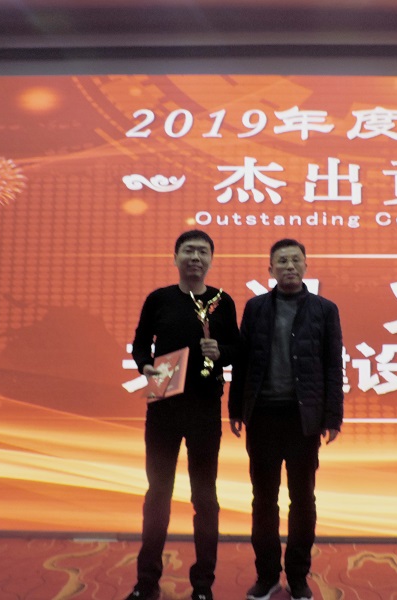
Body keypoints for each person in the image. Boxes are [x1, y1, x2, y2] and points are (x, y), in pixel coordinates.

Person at [125, 230, 239, 600]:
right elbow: (140, 344)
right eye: (188, 251)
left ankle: (203, 585)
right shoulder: (159, 299)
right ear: (175, 258)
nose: (195, 257)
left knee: (204, 497)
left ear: (211, 260)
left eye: (202, 252)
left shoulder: (223, 302)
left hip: (205, 408)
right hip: (164, 405)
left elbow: (238, 349)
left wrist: (221, 352)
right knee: (158, 494)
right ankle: (146, 583)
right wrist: (145, 366)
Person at [229, 239, 344, 600]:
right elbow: (243, 362)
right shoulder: (256, 308)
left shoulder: (324, 310)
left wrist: (333, 416)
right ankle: (267, 576)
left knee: (303, 500)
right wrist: (236, 409)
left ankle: (297, 577)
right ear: (270, 269)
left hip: (302, 420)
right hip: (263, 417)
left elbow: (332, 365)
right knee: (263, 500)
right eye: (282, 261)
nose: (289, 266)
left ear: (306, 266)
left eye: (296, 260)